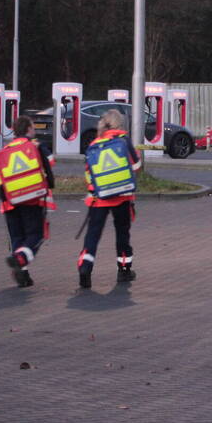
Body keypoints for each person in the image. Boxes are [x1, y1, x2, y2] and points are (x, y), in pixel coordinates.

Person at [0, 115, 56, 287]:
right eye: (33, 127)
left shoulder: (3, 152)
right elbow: (51, 162)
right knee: (36, 236)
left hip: (10, 203)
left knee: (17, 237)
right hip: (32, 199)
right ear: (29, 129)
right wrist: (42, 149)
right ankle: (21, 259)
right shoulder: (35, 147)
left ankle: (22, 273)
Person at [78, 109, 141, 289]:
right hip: (122, 196)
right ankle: (124, 270)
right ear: (119, 123)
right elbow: (136, 166)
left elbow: (88, 174)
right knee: (122, 233)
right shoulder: (124, 141)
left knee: (93, 235)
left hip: (98, 199)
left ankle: (85, 267)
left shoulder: (94, 144)